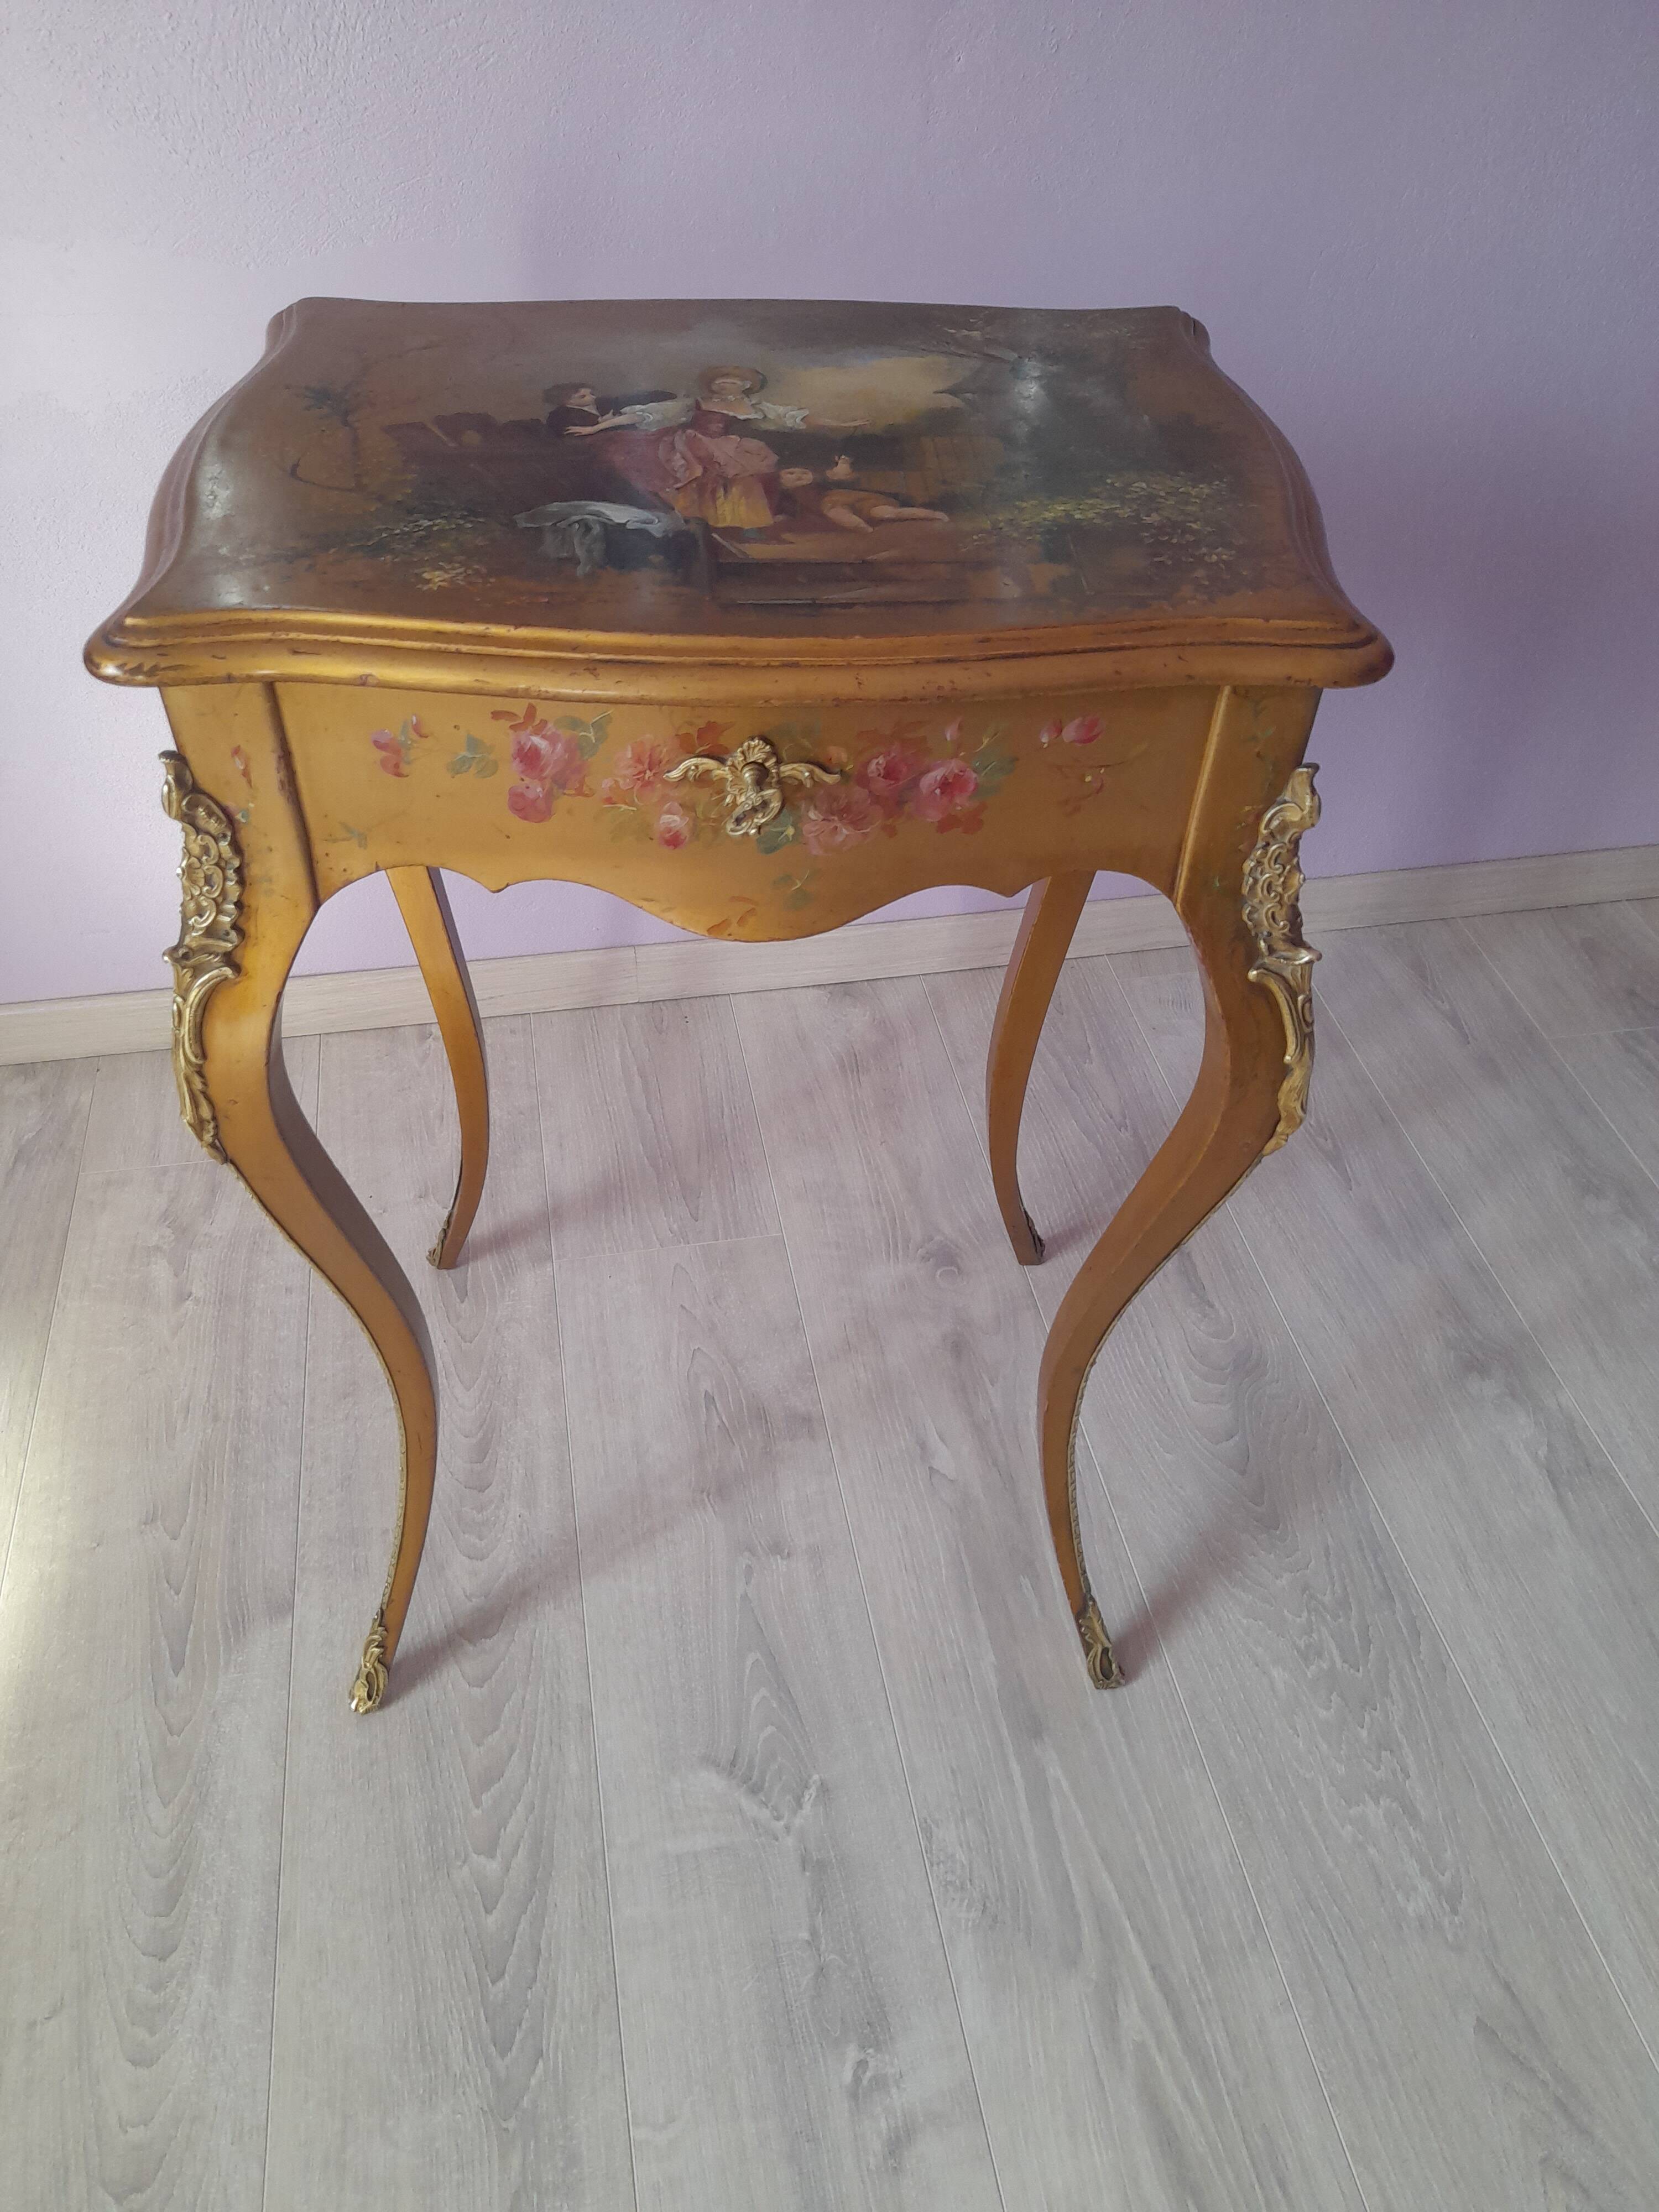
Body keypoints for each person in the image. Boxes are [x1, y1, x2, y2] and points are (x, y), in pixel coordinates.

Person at [564, 367, 869, 530]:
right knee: (699, 480)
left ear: (744, 387)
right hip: (693, 443)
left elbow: (795, 416)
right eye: (720, 383)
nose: (722, 386)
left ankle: (741, 522)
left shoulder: (756, 406)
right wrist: (597, 428)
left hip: (733, 448)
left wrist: (840, 423)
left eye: (729, 382)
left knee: (745, 479)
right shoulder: (695, 403)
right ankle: (704, 525)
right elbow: (650, 413)